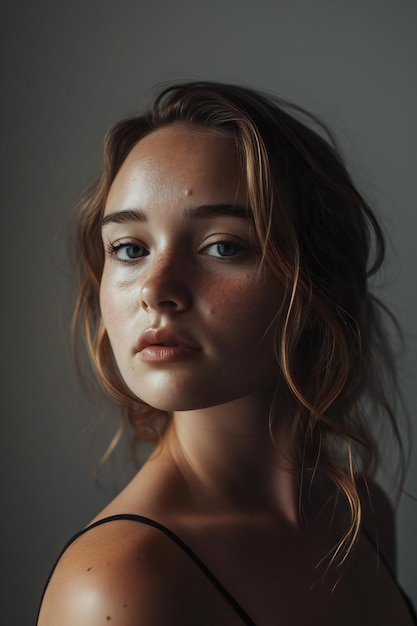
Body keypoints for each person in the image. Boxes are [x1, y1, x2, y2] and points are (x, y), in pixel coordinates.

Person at [37, 81, 416, 625]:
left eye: (223, 246)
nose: (156, 289)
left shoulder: (358, 511)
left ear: (316, 285)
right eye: (130, 249)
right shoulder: (120, 580)